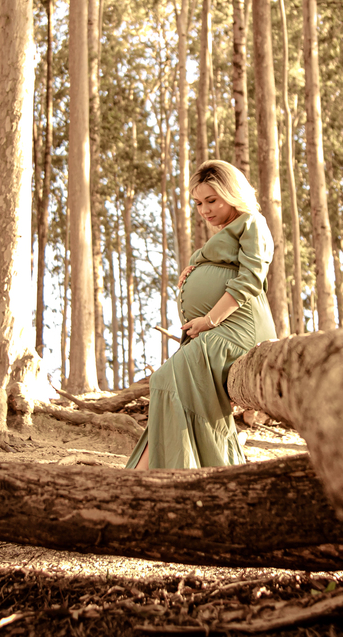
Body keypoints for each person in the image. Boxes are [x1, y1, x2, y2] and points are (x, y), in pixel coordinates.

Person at [126, 160, 276, 469]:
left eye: (212, 200)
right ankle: (148, 476)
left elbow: (249, 280)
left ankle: (162, 476)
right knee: (168, 384)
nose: (204, 210)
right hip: (217, 330)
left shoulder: (252, 223)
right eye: (198, 203)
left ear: (232, 194)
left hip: (239, 328)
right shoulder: (227, 231)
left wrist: (209, 320)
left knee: (166, 378)